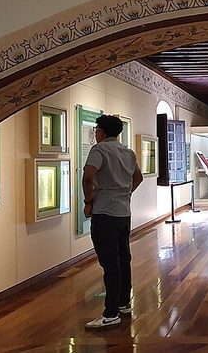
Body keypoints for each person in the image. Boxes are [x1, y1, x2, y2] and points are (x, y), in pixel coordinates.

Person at [82, 115, 143, 329]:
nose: (95, 133)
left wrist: (88, 201)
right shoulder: (128, 152)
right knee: (123, 257)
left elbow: (88, 176)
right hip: (123, 212)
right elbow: (138, 177)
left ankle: (111, 312)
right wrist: (125, 192)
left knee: (110, 262)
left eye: (96, 129)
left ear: (102, 131)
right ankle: (124, 302)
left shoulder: (99, 150)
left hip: (104, 212)